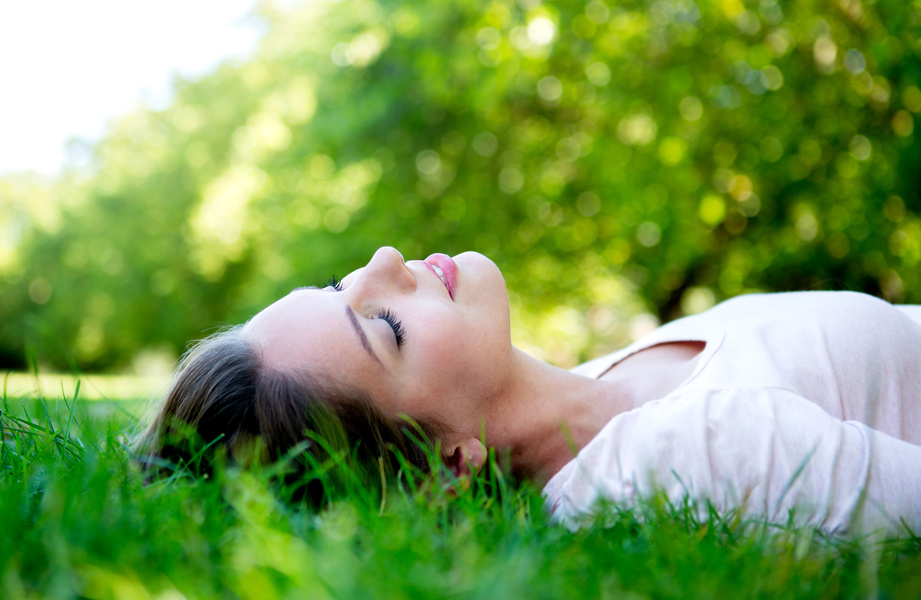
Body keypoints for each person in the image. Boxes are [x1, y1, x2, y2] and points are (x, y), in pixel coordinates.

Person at [137, 246, 921, 536]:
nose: (383, 258)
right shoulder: (680, 457)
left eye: (341, 284)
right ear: (448, 468)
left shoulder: (603, 383)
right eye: (385, 328)